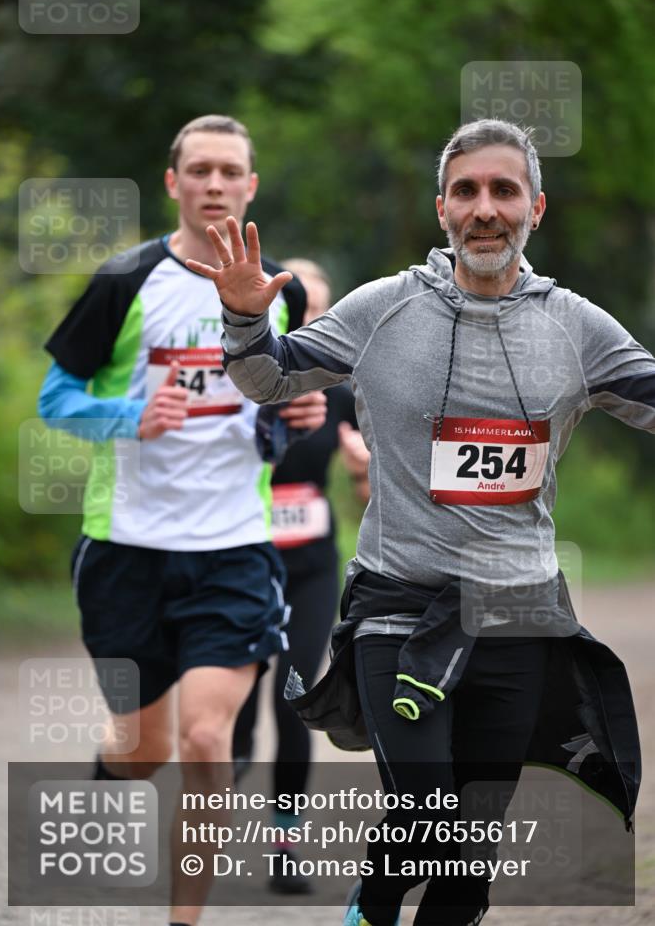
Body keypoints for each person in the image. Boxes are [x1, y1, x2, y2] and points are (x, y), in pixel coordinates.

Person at [186, 118, 654, 926]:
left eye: (502, 190)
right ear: (440, 207)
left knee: (468, 863)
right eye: (465, 190)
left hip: (517, 612)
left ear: (535, 208)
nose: (484, 208)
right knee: (428, 813)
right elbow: (265, 377)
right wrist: (242, 319)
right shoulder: (381, 312)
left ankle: (385, 896)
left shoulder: (575, 326)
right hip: (396, 606)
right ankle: (374, 895)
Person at [37, 114, 326, 926]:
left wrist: (299, 414)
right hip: (126, 548)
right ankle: (108, 787)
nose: (212, 184)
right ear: (173, 183)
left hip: (234, 549)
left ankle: (182, 921)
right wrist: (131, 413)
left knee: (206, 742)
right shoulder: (124, 280)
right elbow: (54, 399)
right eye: (196, 170)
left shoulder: (283, 292)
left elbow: (289, 401)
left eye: (228, 171)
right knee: (142, 753)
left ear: (250, 185)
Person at [231, 259, 370, 895]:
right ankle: (214, 813)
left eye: (313, 309)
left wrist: (364, 472)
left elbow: (381, 493)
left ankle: (285, 844)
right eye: (291, 308)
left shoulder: (342, 391)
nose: (302, 321)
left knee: (292, 694)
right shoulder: (237, 383)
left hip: (310, 563)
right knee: (232, 695)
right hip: (239, 560)